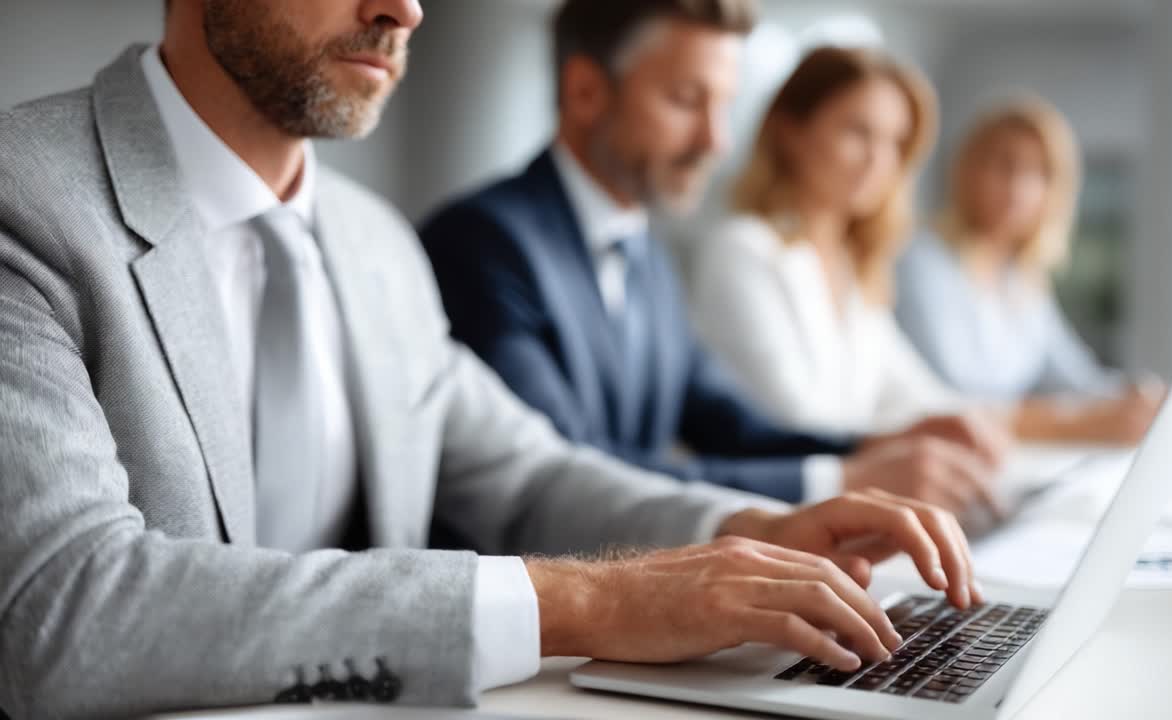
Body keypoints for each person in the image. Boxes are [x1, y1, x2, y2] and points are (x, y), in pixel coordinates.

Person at [0, 1, 988, 717]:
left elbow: (523, 474)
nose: (403, 11)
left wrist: (761, 536)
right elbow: (64, 611)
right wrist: (592, 600)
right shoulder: (27, 201)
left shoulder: (377, 244)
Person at [419, 0, 1005, 512]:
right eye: (686, 99)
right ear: (585, 92)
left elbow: (727, 421)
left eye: (722, 105)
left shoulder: (646, 252)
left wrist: (872, 449)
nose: (716, 141)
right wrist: (837, 479)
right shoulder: (482, 244)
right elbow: (567, 474)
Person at [692, 46, 982, 447]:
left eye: (896, 142)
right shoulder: (743, 250)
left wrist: (974, 429)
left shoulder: (856, 266)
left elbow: (918, 395)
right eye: (857, 132)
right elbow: (794, 421)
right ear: (790, 131)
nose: (878, 160)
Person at [895, 98, 1163, 445]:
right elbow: (952, 398)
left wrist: (1136, 396)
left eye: (1040, 173)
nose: (1018, 188)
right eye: (1004, 165)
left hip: (1010, 451)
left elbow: (1074, 378)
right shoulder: (919, 260)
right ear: (966, 170)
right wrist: (1071, 425)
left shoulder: (1022, 279)